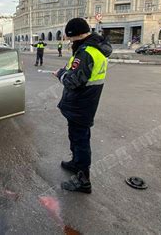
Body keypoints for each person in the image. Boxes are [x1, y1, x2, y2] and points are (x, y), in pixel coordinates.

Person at [53, 18, 112, 194]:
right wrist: (67, 70)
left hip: (81, 103)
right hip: (85, 102)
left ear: (77, 35)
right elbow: (77, 71)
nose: (70, 42)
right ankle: (76, 164)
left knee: (80, 141)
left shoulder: (86, 52)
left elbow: (73, 81)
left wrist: (60, 74)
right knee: (77, 137)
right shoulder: (93, 49)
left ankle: (83, 180)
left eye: (71, 39)